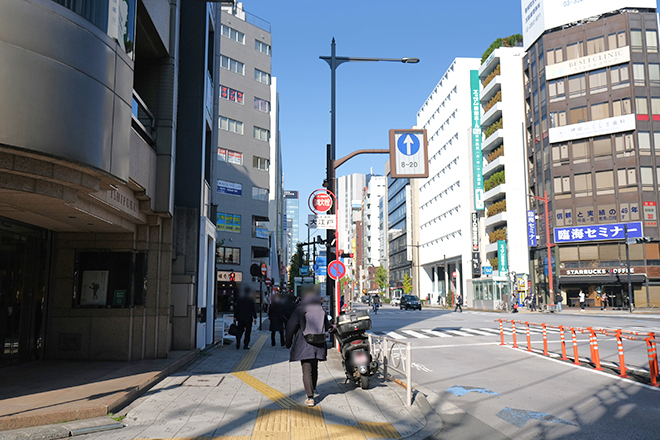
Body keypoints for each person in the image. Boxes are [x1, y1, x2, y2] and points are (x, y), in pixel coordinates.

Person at [285, 285, 332, 407]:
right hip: (319, 343)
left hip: (304, 343)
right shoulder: (321, 309)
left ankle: (310, 397)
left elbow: (290, 327)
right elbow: (327, 327)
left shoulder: (300, 309)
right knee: (314, 367)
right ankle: (313, 388)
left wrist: (288, 343)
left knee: (306, 370)